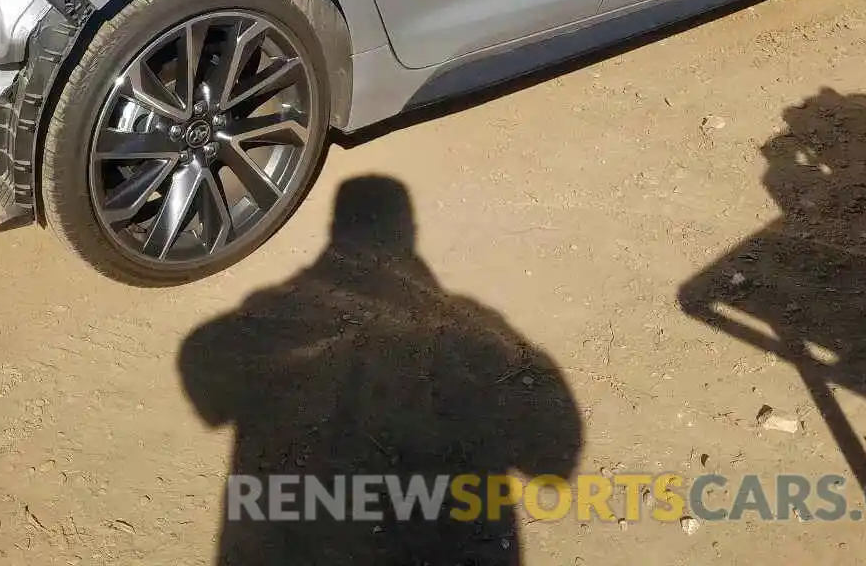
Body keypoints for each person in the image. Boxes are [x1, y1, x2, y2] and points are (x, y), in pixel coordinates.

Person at [180, 175, 582, 565]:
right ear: (409, 230)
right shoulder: (473, 330)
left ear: (336, 230)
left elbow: (203, 376)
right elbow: (551, 458)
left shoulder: (269, 312)